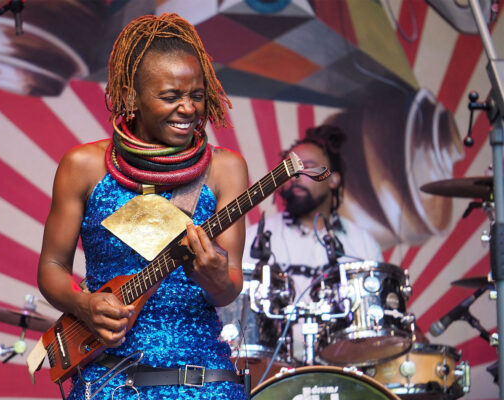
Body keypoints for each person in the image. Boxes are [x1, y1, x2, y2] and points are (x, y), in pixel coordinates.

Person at [37, 14, 249, 399]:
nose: (188, 109)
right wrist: (84, 304)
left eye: (197, 95)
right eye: (170, 96)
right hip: (112, 382)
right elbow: (52, 267)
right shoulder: (83, 166)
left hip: (204, 382)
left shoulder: (226, 168)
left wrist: (216, 276)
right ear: (132, 96)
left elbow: (228, 287)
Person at [241, 124, 383, 364]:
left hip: (344, 369)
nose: (295, 176)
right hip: (274, 372)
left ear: (333, 179)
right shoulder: (255, 237)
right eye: (289, 170)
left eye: (305, 167)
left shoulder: (363, 243)